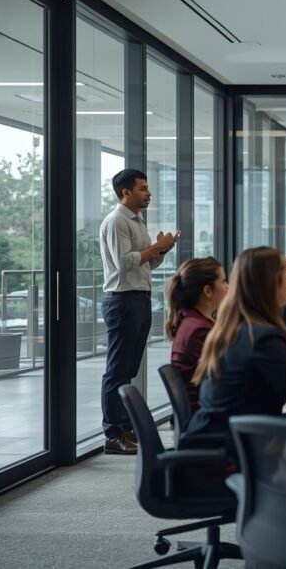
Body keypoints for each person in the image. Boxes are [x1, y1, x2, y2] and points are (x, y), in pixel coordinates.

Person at [185, 247, 286, 454]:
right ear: (272, 283)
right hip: (227, 458)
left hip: (210, 443)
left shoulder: (234, 329)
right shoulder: (262, 339)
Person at [98, 168, 179, 455]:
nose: (149, 193)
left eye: (148, 188)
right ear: (126, 192)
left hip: (139, 298)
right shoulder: (117, 220)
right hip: (122, 300)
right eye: (143, 188)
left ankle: (124, 427)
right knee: (117, 369)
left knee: (129, 368)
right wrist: (156, 246)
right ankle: (112, 433)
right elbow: (124, 262)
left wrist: (160, 253)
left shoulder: (136, 221)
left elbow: (144, 264)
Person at [165, 257, 227, 413]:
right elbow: (221, 380)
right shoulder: (200, 331)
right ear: (207, 291)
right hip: (207, 420)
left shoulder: (191, 322)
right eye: (224, 282)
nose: (228, 287)